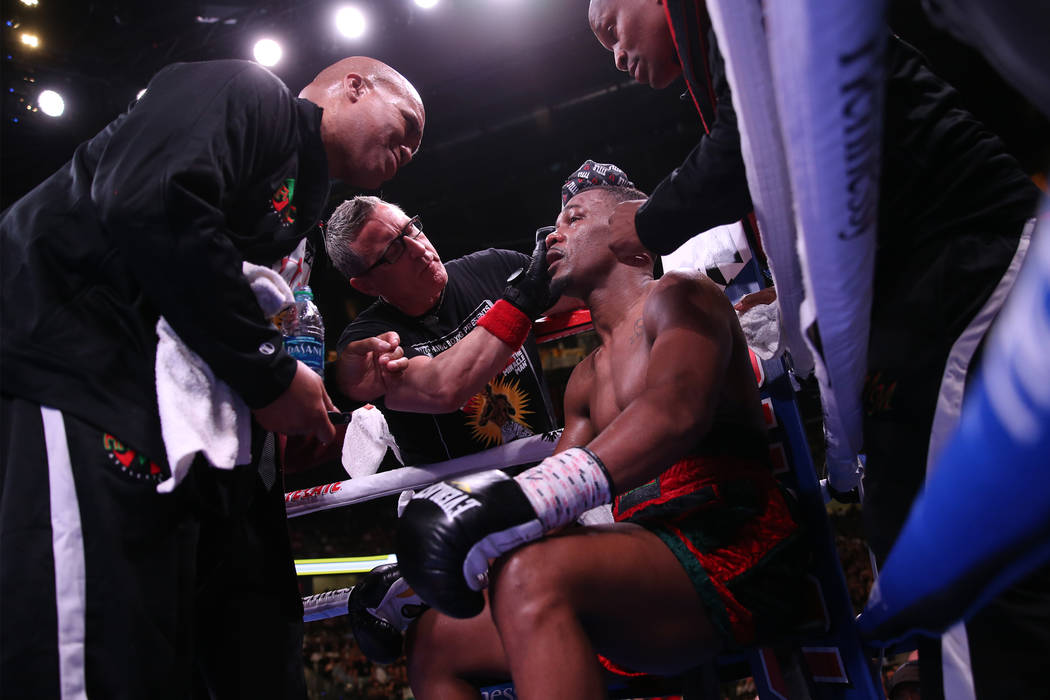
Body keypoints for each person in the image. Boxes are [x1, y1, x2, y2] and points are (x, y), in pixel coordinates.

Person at [586, 2, 1045, 697]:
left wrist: (649, 220)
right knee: (902, 519)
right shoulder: (722, 69)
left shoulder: (735, 18)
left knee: (947, 532)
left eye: (610, 27)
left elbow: (757, 137)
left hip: (957, 259)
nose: (615, 55)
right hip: (914, 285)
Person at [0, 55, 424, 699]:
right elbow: (150, 197)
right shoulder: (250, 93)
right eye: (406, 122)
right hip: (82, 368)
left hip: (177, 420)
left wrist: (314, 391)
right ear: (356, 87)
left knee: (229, 640)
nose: (412, 147)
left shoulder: (297, 204)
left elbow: (228, 308)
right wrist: (270, 374)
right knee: (98, 648)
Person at [394, 163, 810, 699]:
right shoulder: (584, 379)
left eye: (573, 217)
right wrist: (414, 578)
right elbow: (554, 513)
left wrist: (524, 500)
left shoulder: (682, 296)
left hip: (734, 544)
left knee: (532, 575)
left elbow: (675, 411)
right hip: (643, 560)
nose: (552, 236)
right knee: (433, 641)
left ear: (633, 236)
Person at [325, 195, 564, 466]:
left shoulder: (495, 268)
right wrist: (522, 303)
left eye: (411, 229)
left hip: (550, 481)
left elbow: (588, 290)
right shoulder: (370, 342)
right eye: (393, 251)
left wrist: (589, 217)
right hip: (458, 500)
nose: (419, 249)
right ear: (366, 286)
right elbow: (443, 388)